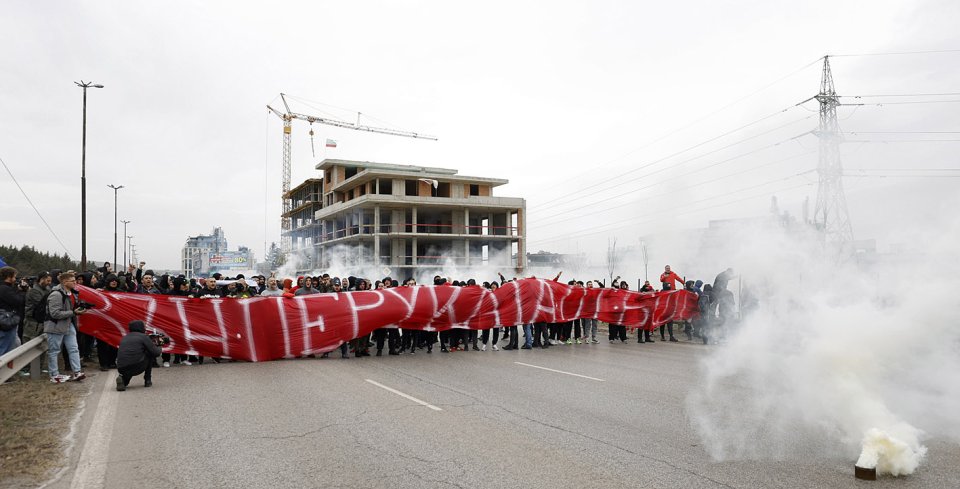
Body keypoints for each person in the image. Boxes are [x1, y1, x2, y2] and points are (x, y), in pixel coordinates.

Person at [44, 272, 87, 383]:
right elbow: (55, 313)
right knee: (54, 351)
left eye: (75, 280)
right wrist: (73, 313)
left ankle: (77, 372)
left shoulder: (70, 293)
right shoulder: (56, 294)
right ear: (64, 282)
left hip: (68, 324)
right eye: (72, 281)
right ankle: (54, 375)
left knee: (73, 349)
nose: (75, 282)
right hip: (55, 326)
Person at [115, 320, 162, 391]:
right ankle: (147, 380)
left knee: (130, 363)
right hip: (137, 367)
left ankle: (123, 381)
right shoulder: (143, 337)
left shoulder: (124, 337)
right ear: (140, 327)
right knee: (149, 354)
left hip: (121, 368)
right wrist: (159, 345)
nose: (145, 328)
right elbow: (156, 353)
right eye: (144, 326)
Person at [0, 266, 27, 355]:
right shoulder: (4, 289)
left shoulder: (6, 288)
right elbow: (18, 301)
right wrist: (23, 292)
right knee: (5, 351)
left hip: (6, 321)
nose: (15, 279)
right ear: (9, 277)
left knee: (15, 345)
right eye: (14, 277)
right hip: (6, 322)